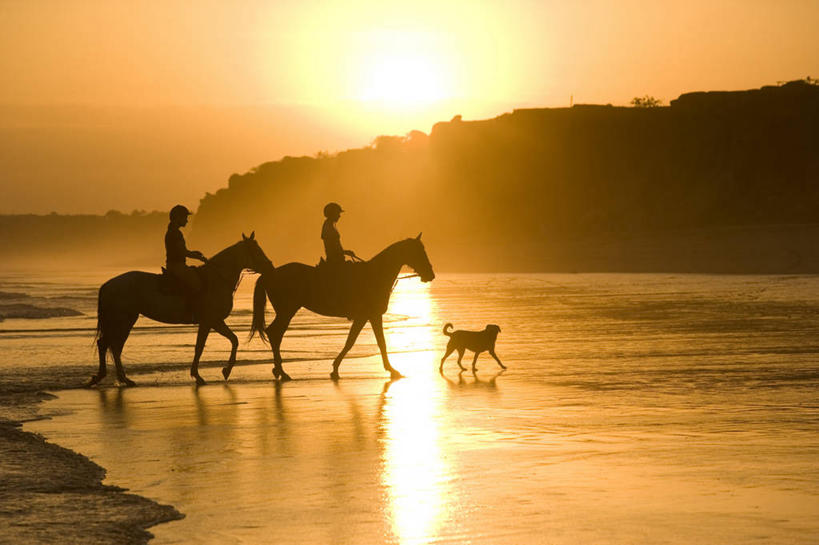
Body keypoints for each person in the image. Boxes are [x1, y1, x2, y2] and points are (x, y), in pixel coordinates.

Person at [165, 204, 208, 294]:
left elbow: (181, 251)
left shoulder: (172, 231)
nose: (187, 221)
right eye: (185, 217)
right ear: (178, 218)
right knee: (197, 285)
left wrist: (194, 252)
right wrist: (200, 258)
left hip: (174, 266)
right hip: (178, 267)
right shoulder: (176, 233)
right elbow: (183, 252)